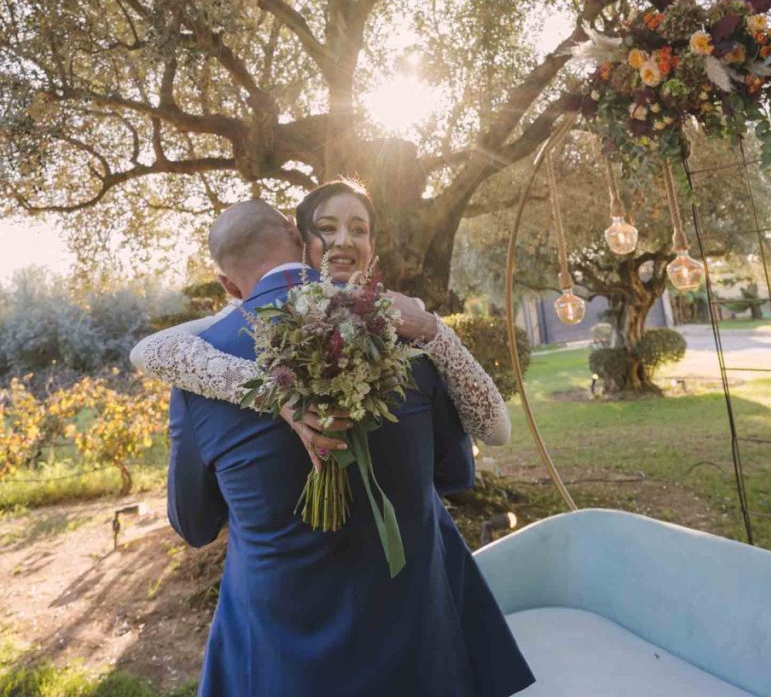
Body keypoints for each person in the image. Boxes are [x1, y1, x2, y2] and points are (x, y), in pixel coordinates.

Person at [159, 198, 535, 696]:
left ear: (228, 286)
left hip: (281, 651)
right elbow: (452, 475)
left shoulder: (195, 370)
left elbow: (194, 523)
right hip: (417, 642)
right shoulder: (404, 337)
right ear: (303, 243)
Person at [132, 180, 512, 460]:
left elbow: (496, 431)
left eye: (359, 230)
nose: (344, 240)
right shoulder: (250, 318)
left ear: (372, 247)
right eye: (327, 229)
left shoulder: (405, 316)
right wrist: (274, 393)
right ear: (301, 241)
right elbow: (149, 349)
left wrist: (433, 330)